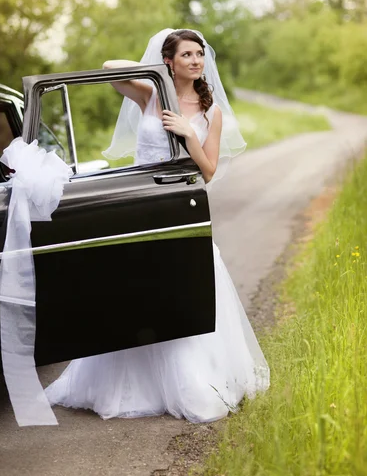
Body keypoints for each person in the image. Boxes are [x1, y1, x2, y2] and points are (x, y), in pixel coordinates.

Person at [45, 29, 270, 423]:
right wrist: (156, 74)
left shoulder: (210, 112)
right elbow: (110, 69)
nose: (197, 61)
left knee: (181, 288)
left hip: (179, 205)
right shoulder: (150, 94)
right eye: (187, 54)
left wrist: (188, 136)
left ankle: (191, 383)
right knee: (137, 288)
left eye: (200, 54)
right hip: (140, 202)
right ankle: (132, 385)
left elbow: (210, 172)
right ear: (169, 61)